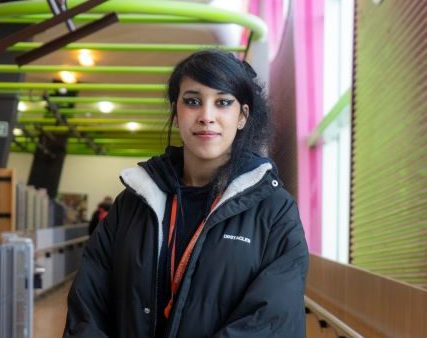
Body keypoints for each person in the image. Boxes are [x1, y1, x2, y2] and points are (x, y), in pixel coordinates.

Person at [64, 49, 309, 338]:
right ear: (176, 113)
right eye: (193, 101)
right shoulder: (132, 204)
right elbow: (87, 306)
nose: (206, 116)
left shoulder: (274, 210)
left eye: (223, 102)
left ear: (242, 116)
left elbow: (272, 321)